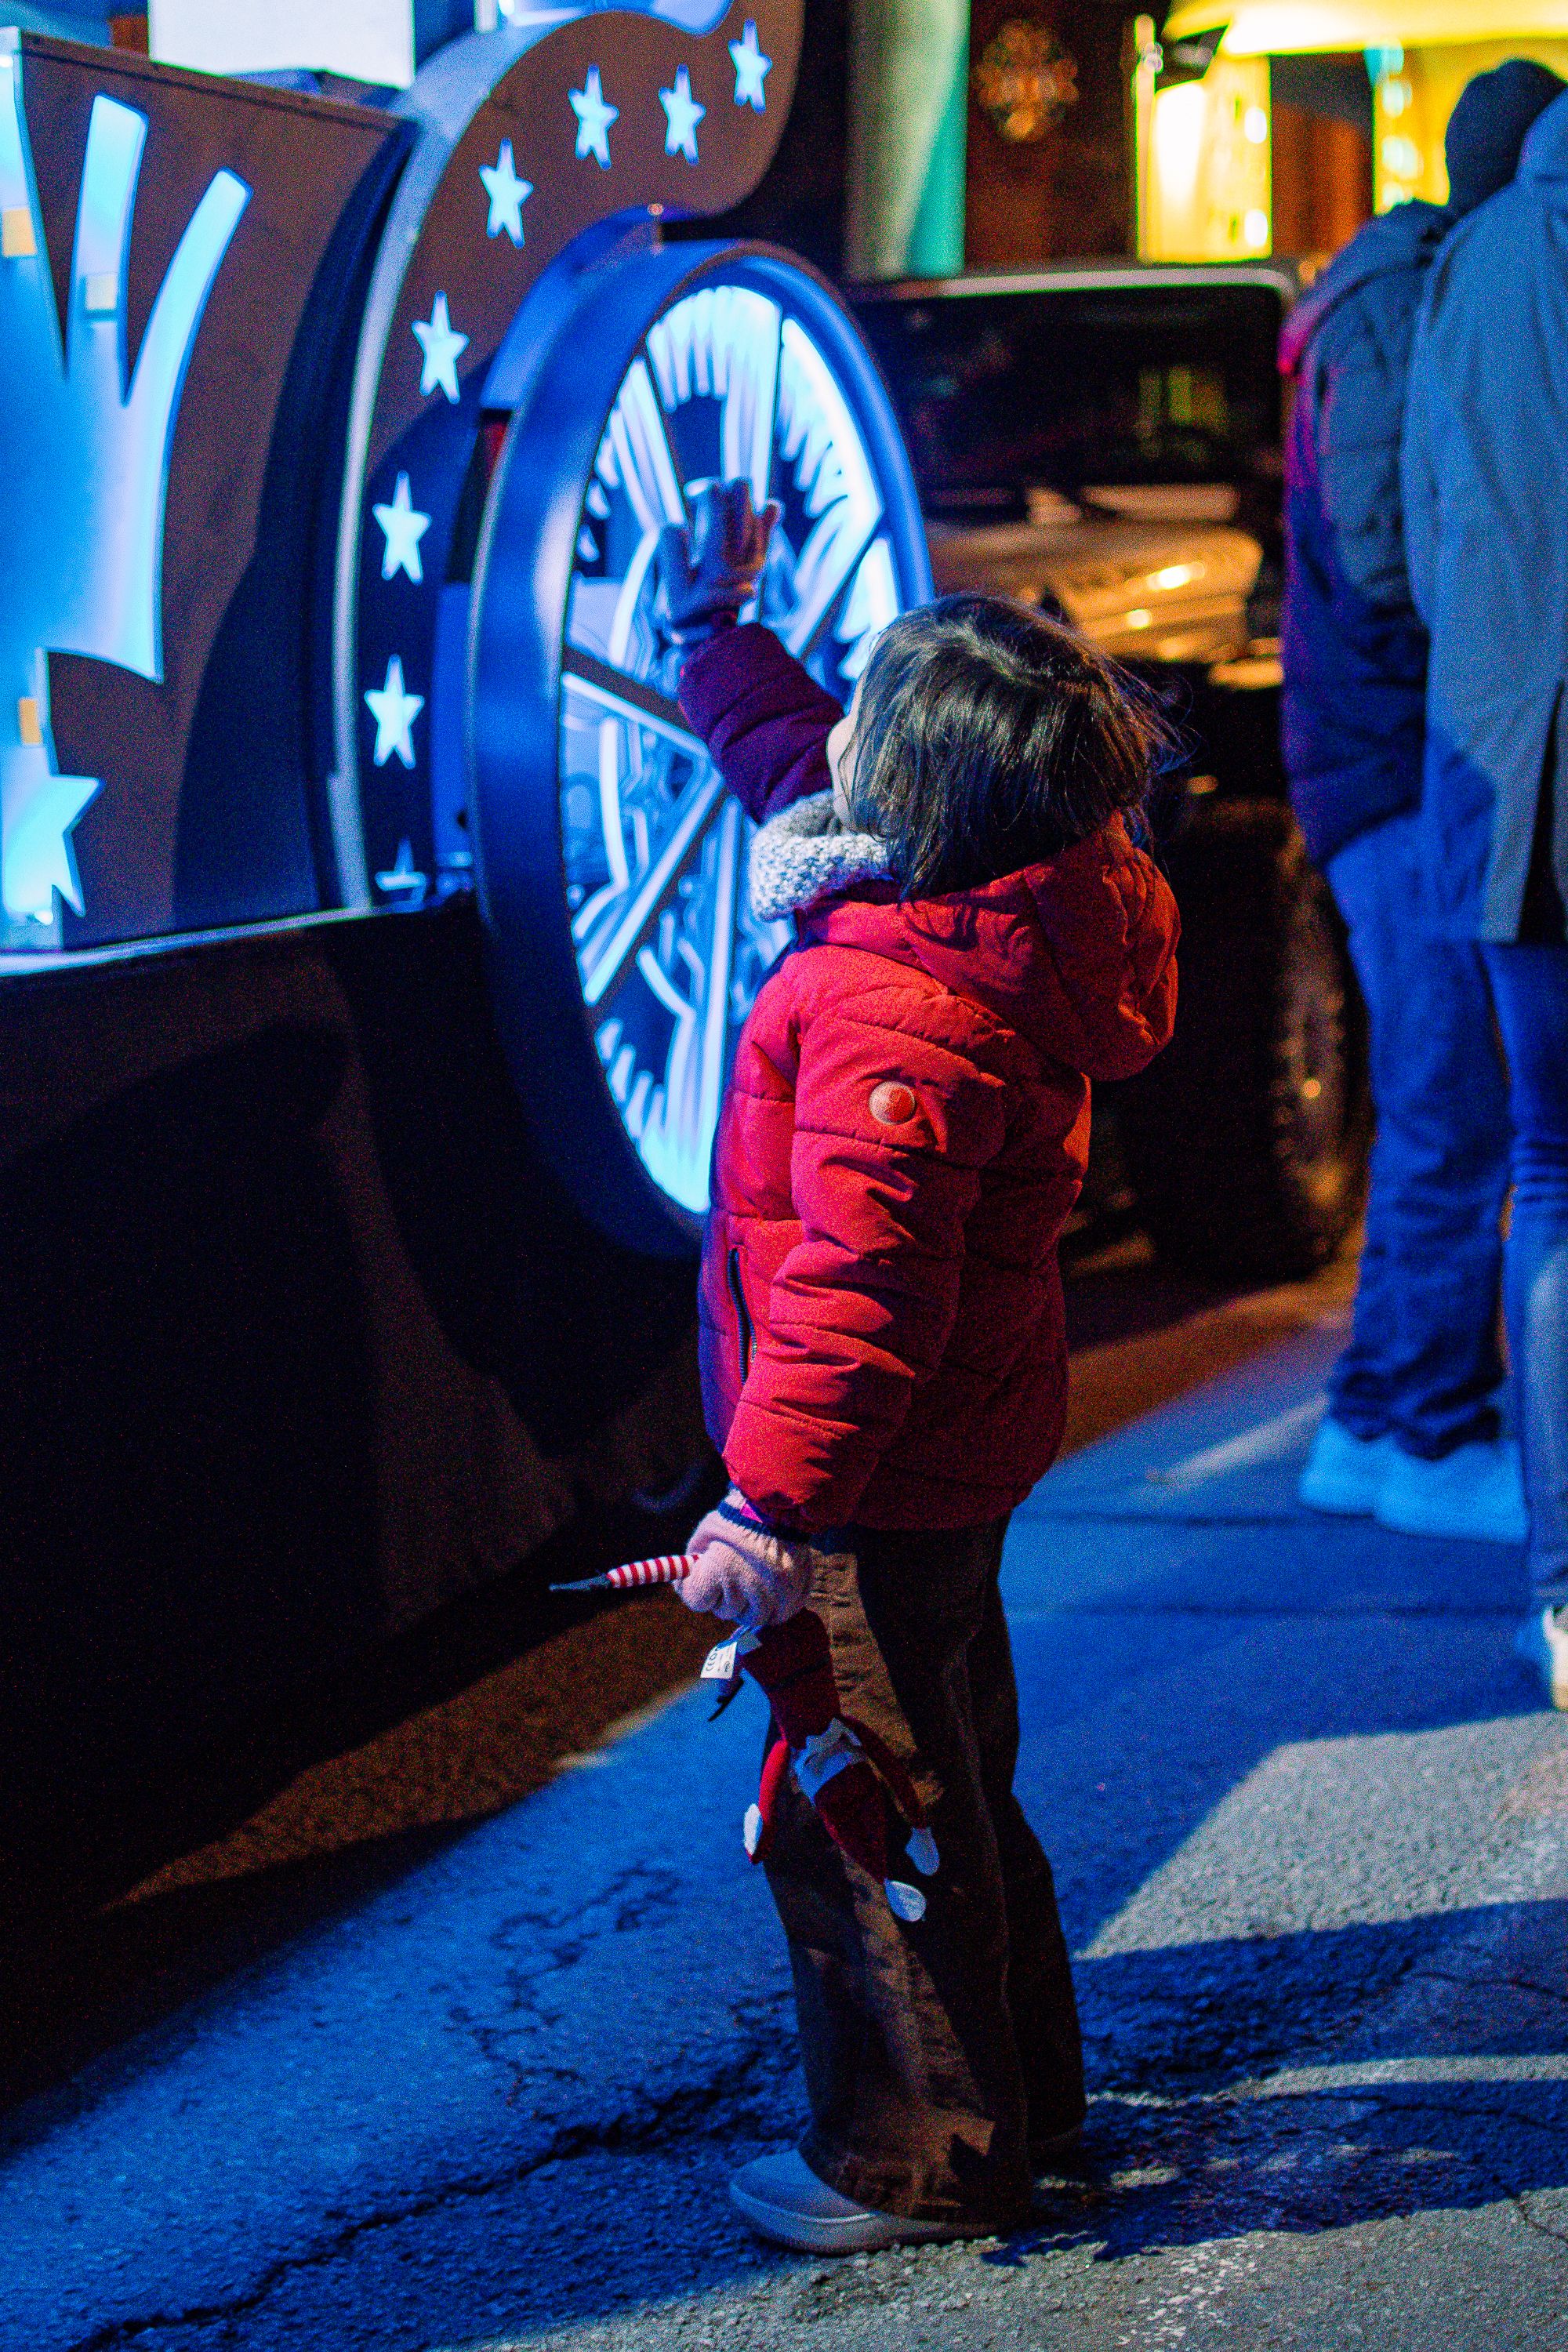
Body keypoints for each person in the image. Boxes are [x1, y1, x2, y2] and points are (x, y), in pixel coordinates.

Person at [654, 481, 1178, 2250]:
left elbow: (856, 1301)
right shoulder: (1003, 903)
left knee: (865, 1822)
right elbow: (795, 758)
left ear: (915, 793)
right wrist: (707, 632)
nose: (837, 749)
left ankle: (920, 2158)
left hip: (867, 1486)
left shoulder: (898, 1005)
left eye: (868, 726)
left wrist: (768, 1508)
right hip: (947, 1465)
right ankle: (1030, 2105)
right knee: (953, 1785)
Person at [1281, 58, 1563, 1543]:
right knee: (1453, 1103)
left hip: (1400, 754)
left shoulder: (1396, 286)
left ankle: (1399, 1412)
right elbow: (1396, 557)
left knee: (1457, 1103)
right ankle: (1409, 1418)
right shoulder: (1404, 307)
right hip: (1408, 761)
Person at [1403, 82, 1568, 1704]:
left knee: (1552, 1177)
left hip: (1508, 780)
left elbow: (1418, 538)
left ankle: (1566, 1593)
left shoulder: (1474, 262)